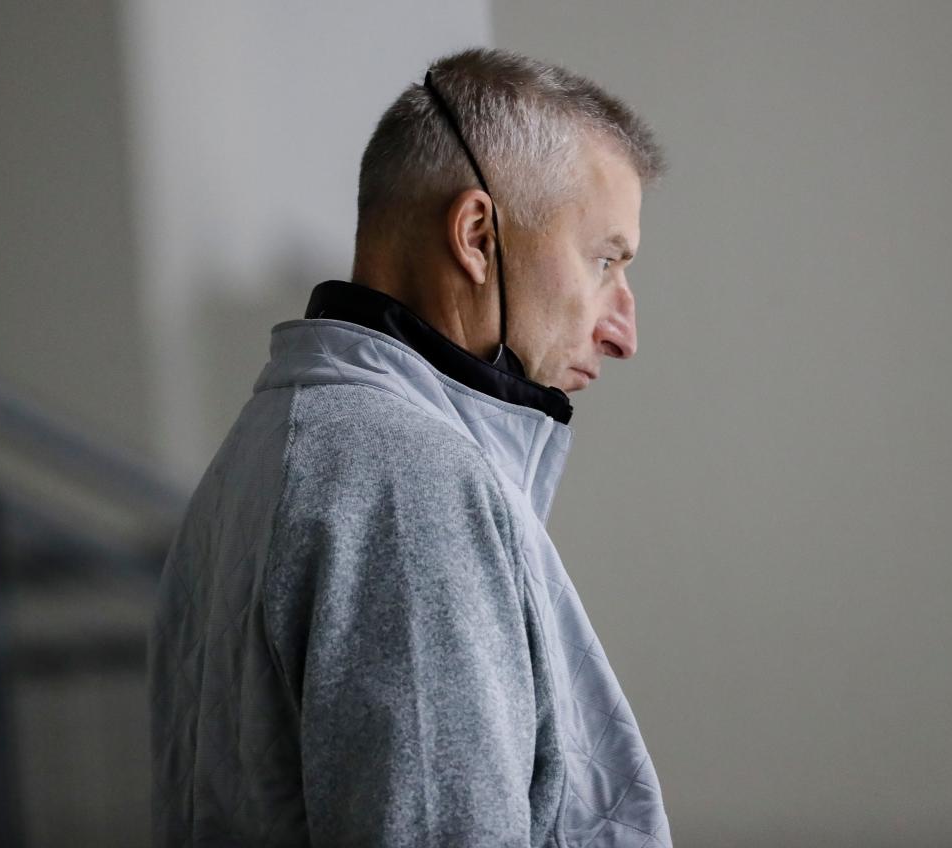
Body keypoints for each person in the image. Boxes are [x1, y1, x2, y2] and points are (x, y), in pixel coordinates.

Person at [149, 47, 671, 847]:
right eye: (604, 261)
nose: (624, 330)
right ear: (476, 235)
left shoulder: (252, 459)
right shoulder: (402, 478)